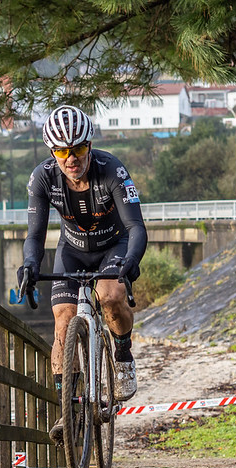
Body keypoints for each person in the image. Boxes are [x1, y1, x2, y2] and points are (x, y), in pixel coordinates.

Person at [19, 105, 147, 445]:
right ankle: (69, 408)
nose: (70, 157)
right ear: (53, 152)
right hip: (72, 250)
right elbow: (34, 235)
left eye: (77, 149)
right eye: (62, 151)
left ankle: (121, 353)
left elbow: (136, 226)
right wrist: (30, 263)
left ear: (89, 145)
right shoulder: (42, 178)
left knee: (110, 296)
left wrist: (132, 259)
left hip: (113, 246)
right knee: (63, 320)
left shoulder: (112, 171)